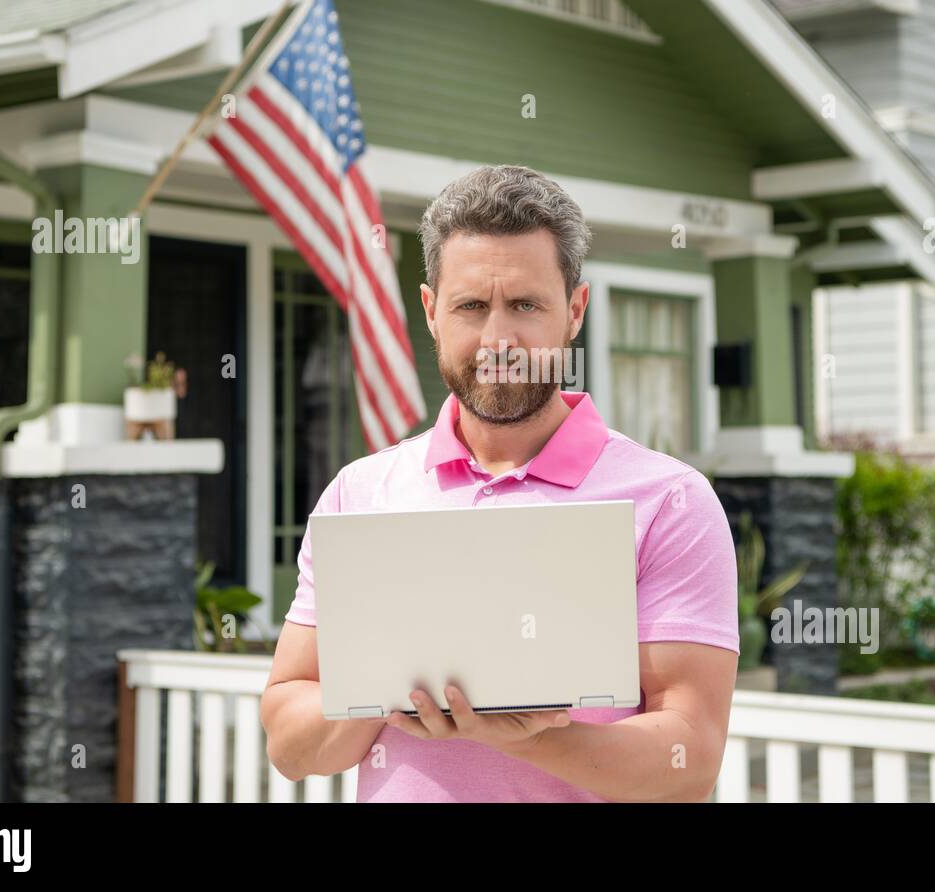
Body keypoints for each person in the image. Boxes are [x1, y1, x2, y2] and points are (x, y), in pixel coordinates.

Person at [261, 164, 740, 802]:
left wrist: (524, 736)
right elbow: (289, 746)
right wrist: (388, 681)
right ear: (431, 312)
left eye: (524, 305)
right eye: (470, 306)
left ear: (574, 310)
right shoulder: (360, 494)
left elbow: (690, 759)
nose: (497, 339)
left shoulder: (670, 502)